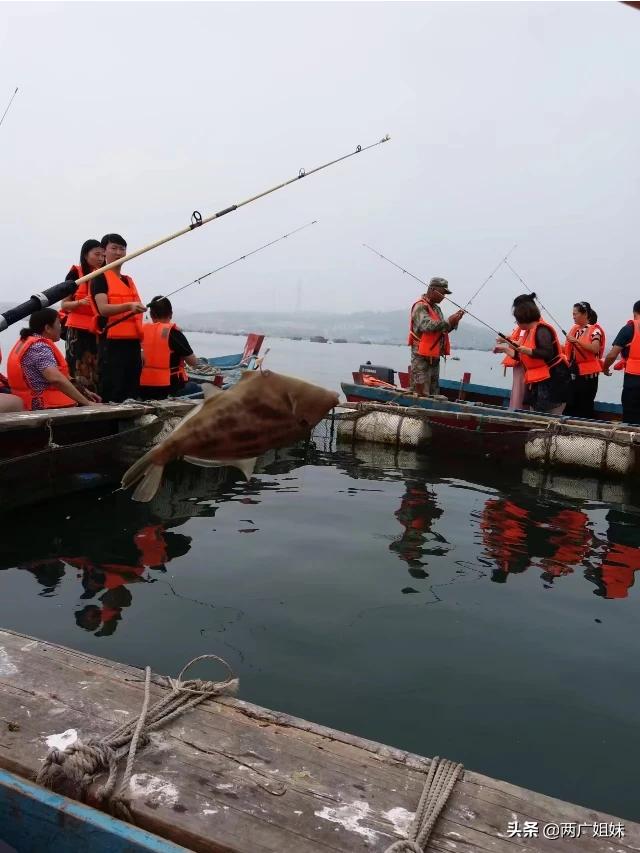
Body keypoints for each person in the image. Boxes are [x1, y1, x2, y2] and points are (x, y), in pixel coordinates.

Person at [6, 308, 101, 410]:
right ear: (47, 328)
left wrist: (85, 392)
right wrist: (87, 403)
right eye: (58, 324)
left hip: (30, 402)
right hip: (41, 406)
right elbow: (55, 378)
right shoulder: (39, 347)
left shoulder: (27, 341)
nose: (61, 328)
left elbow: (64, 376)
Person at [90, 233, 146, 403]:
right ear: (104, 252)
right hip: (111, 343)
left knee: (132, 387)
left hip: (133, 343)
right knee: (113, 388)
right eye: (114, 248)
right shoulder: (99, 277)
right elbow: (103, 309)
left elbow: (138, 316)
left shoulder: (129, 280)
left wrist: (142, 347)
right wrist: (128, 306)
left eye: (122, 249)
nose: (119, 252)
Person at [510, 300, 570, 414]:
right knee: (537, 411)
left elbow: (548, 353)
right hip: (539, 380)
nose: (516, 323)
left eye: (517, 320)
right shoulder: (529, 331)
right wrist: (505, 349)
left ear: (524, 319)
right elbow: (522, 356)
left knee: (550, 414)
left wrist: (529, 351)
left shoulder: (542, 330)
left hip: (554, 377)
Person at [60, 239, 105, 391]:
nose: (101, 258)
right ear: (86, 255)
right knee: (78, 369)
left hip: (97, 331)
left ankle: (98, 401)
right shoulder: (75, 274)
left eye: (103, 255)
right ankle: (79, 401)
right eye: (97, 254)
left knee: (98, 370)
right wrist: (80, 303)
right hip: (77, 332)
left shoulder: (105, 275)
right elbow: (64, 304)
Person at [407, 277, 464, 396]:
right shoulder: (420, 306)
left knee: (433, 391)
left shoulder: (437, 309)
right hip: (421, 357)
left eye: (445, 294)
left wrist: (454, 322)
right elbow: (426, 325)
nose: (444, 297)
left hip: (434, 356)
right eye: (442, 293)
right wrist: (448, 321)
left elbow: (443, 329)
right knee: (420, 392)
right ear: (432, 290)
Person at [138, 296, 201, 400]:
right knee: (197, 387)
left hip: (143, 388)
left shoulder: (142, 331)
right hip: (169, 389)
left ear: (151, 315)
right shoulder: (173, 333)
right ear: (171, 314)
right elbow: (193, 362)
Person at [493, 293, 536, 410]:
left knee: (521, 396)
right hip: (519, 363)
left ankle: (519, 415)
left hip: (526, 366)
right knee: (517, 393)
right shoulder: (525, 325)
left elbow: (525, 345)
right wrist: (506, 341)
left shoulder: (535, 325)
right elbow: (519, 340)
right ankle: (516, 411)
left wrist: (507, 342)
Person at [602, 301, 640, 425]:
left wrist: (605, 367)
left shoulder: (629, 329)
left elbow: (613, 354)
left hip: (633, 382)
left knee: (631, 418)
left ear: (634, 313)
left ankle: (634, 443)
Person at [563, 301, 603, 420]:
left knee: (585, 405)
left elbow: (595, 348)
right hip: (574, 372)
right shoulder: (575, 330)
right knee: (571, 403)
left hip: (588, 376)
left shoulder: (595, 330)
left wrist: (576, 341)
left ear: (585, 314)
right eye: (573, 314)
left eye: (575, 314)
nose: (573, 316)